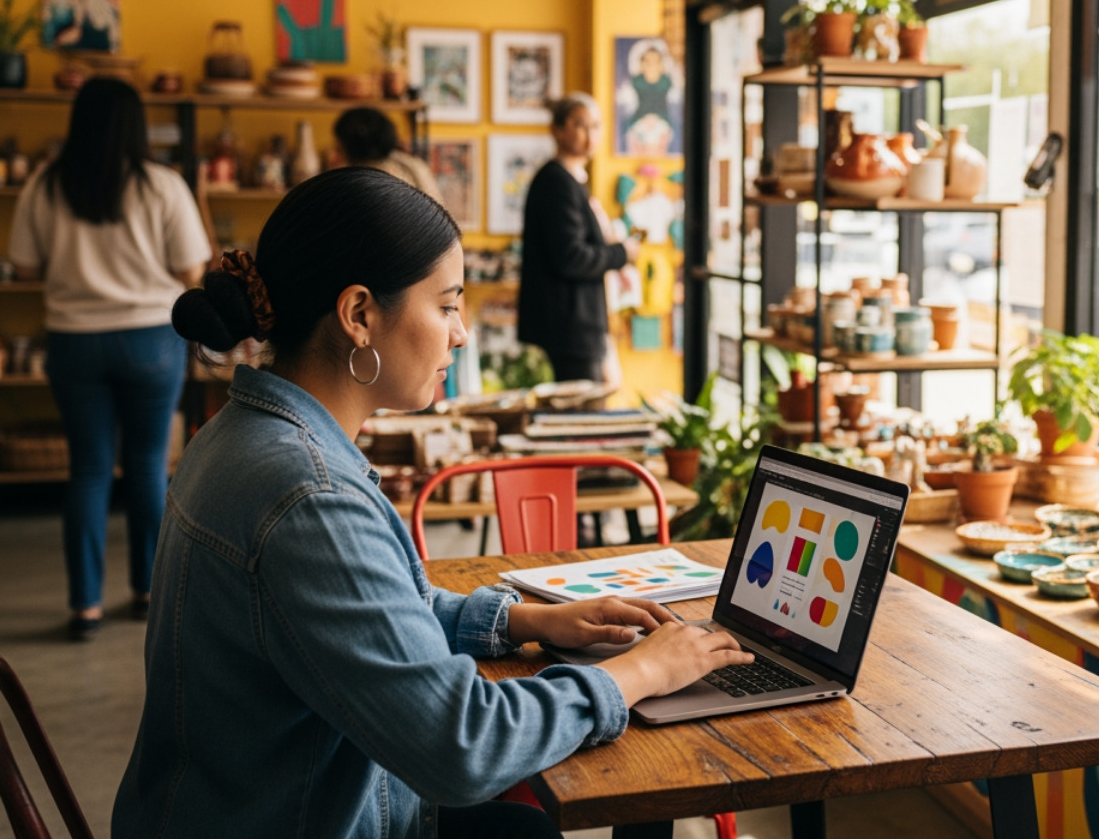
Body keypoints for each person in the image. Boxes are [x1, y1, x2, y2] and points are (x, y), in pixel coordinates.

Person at [113, 167, 748, 839]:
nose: (462, 333)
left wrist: (530, 621)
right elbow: (461, 749)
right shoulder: (308, 495)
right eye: (446, 305)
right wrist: (641, 671)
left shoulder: (247, 432)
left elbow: (372, 616)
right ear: (359, 314)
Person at [7, 78, 212, 639]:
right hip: (150, 336)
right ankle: (148, 591)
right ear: (136, 124)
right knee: (148, 466)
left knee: (89, 470)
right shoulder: (162, 185)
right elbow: (192, 271)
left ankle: (85, 606)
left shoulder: (46, 184)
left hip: (74, 339)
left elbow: (24, 267)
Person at [518, 94, 640, 383]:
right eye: (581, 124)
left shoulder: (572, 180)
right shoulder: (556, 182)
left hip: (579, 325)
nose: (591, 134)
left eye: (596, 126)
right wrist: (622, 253)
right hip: (570, 328)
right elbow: (570, 257)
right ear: (557, 130)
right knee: (582, 415)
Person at [331, 106, 444, 205]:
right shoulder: (412, 163)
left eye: (339, 143)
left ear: (350, 144)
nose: (337, 149)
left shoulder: (367, 178)